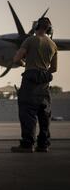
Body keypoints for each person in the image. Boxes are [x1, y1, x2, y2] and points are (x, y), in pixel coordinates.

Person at [11, 17, 57, 153]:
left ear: (36, 27)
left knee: (27, 112)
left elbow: (16, 59)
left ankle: (27, 144)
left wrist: (25, 64)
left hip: (30, 80)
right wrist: (42, 73)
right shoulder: (53, 44)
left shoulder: (30, 40)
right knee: (44, 114)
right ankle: (43, 145)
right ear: (49, 29)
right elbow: (54, 68)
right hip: (44, 82)